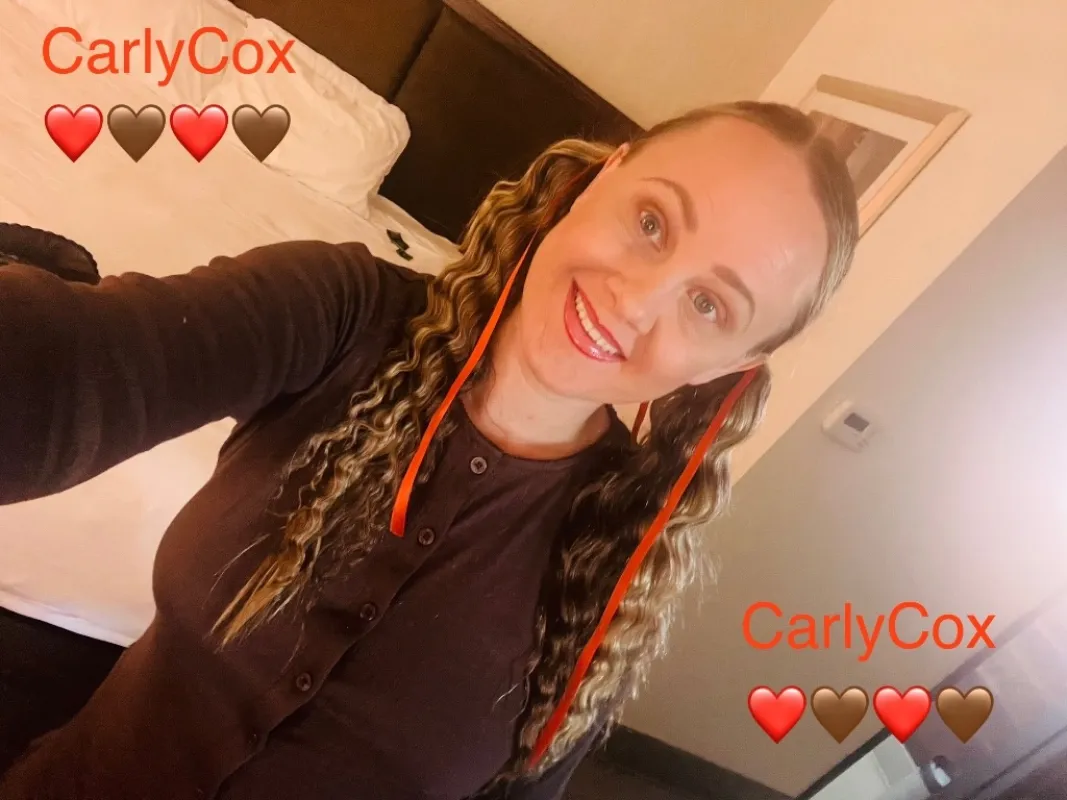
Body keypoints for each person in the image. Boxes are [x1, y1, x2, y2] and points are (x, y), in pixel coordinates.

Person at [0, 101, 858, 800]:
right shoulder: (342, 314)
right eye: (651, 221)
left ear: (726, 369)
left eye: (709, 306)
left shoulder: (611, 581)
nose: (636, 300)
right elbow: (66, 371)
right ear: (605, 174)